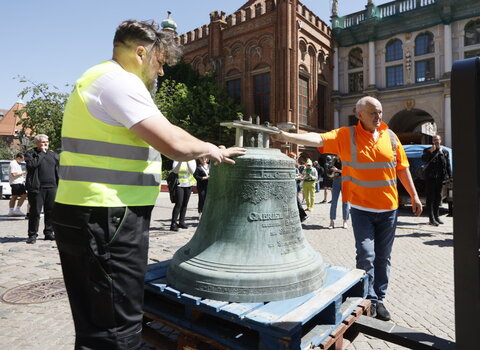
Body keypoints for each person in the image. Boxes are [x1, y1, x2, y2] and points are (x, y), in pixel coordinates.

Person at [52, 20, 245, 350]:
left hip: (91, 214)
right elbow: (173, 142)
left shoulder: (97, 78)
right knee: (117, 333)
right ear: (141, 53)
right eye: (160, 62)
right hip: (108, 217)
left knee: (97, 328)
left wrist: (212, 147)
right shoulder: (118, 82)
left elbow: (172, 131)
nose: (163, 72)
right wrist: (212, 149)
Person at [273, 96, 422, 322]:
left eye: (380, 112)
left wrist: (413, 195)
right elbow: (317, 138)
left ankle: (379, 299)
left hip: (389, 210)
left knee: (384, 257)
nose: (378, 117)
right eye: (373, 113)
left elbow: (402, 168)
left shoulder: (390, 137)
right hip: (361, 209)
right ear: (359, 114)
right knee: (366, 254)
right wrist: (286, 135)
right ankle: (368, 297)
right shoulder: (346, 135)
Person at [24, 134, 59, 244]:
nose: (45, 144)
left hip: (52, 187)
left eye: (47, 142)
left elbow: (58, 169)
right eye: (43, 142)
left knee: (51, 212)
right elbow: (32, 165)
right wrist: (42, 153)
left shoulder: (53, 155)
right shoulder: (30, 154)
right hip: (37, 188)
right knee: (35, 212)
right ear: (37, 143)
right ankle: (32, 234)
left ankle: (48, 233)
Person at [421, 135, 452, 226]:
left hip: (440, 178)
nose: (436, 141)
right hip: (430, 178)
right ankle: (431, 218)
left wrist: (450, 176)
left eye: (437, 139)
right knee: (430, 198)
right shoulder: (428, 150)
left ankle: (436, 216)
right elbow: (424, 159)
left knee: (438, 197)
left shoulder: (445, 152)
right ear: (432, 141)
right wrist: (430, 152)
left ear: (440, 140)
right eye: (434, 140)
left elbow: (448, 164)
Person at [170, 160, 196, 231]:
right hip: (179, 184)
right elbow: (175, 170)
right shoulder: (177, 159)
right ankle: (173, 223)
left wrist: (187, 161)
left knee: (185, 204)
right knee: (179, 204)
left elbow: (192, 171)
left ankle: (181, 222)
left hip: (189, 184)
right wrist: (180, 161)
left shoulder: (192, 160)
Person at [328, 155, 350, 229]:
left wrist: (337, 170)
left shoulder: (346, 160)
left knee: (346, 202)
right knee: (334, 201)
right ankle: (332, 221)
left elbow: (348, 171)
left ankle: (345, 221)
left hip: (345, 180)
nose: (335, 155)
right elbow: (329, 171)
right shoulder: (333, 161)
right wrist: (331, 170)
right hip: (336, 180)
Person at [288, 152, 308, 222]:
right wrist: (297, 177)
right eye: (294, 157)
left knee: (296, 200)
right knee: (295, 200)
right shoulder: (289, 165)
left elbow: (294, 175)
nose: (295, 159)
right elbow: (289, 176)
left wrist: (300, 176)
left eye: (295, 157)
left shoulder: (294, 165)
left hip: (295, 185)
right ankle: (302, 216)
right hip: (290, 185)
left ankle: (301, 216)